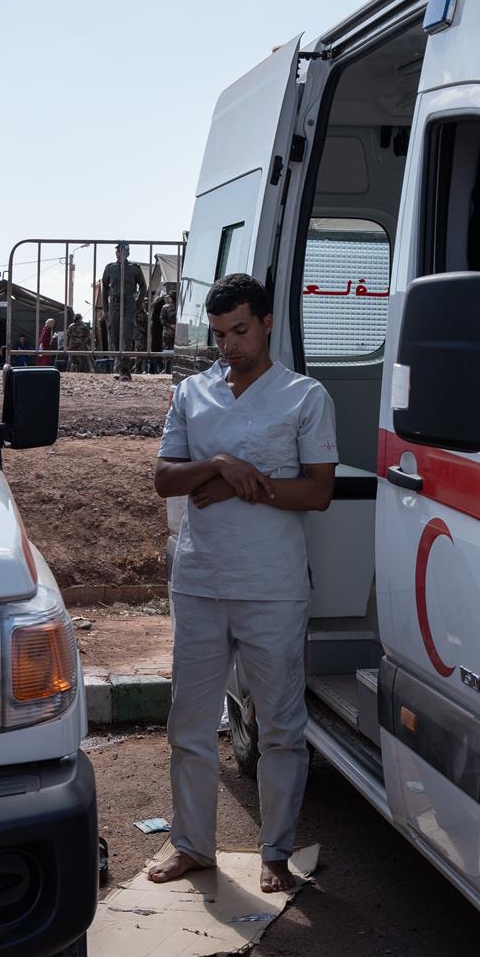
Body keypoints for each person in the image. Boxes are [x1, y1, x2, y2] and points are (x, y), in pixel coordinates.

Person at [148, 273, 337, 894]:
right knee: (190, 723)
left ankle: (275, 851)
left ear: (266, 324)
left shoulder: (304, 397)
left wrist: (234, 484)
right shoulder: (192, 394)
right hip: (199, 581)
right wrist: (219, 465)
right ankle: (191, 845)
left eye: (241, 331)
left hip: (272, 587)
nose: (229, 345)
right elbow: (165, 479)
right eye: (221, 333)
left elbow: (318, 490)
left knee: (281, 725)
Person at [100, 241, 147, 380]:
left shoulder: (134, 268)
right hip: (114, 305)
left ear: (127, 253)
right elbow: (104, 288)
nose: (120, 253)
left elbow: (143, 287)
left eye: (123, 251)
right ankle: (120, 366)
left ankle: (125, 370)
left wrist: (138, 304)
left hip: (128, 305)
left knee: (126, 335)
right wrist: (105, 309)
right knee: (115, 336)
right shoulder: (110, 268)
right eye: (118, 251)